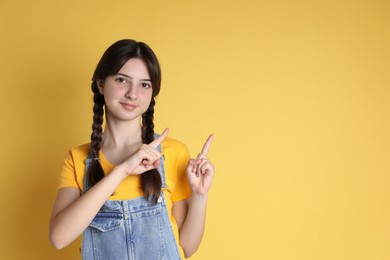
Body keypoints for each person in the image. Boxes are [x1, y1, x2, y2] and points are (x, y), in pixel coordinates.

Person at [49, 39, 215, 259]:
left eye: (144, 84)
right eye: (121, 80)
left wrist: (200, 196)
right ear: (101, 84)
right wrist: (121, 170)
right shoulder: (77, 159)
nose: (133, 94)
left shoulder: (173, 153)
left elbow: (186, 247)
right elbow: (59, 238)